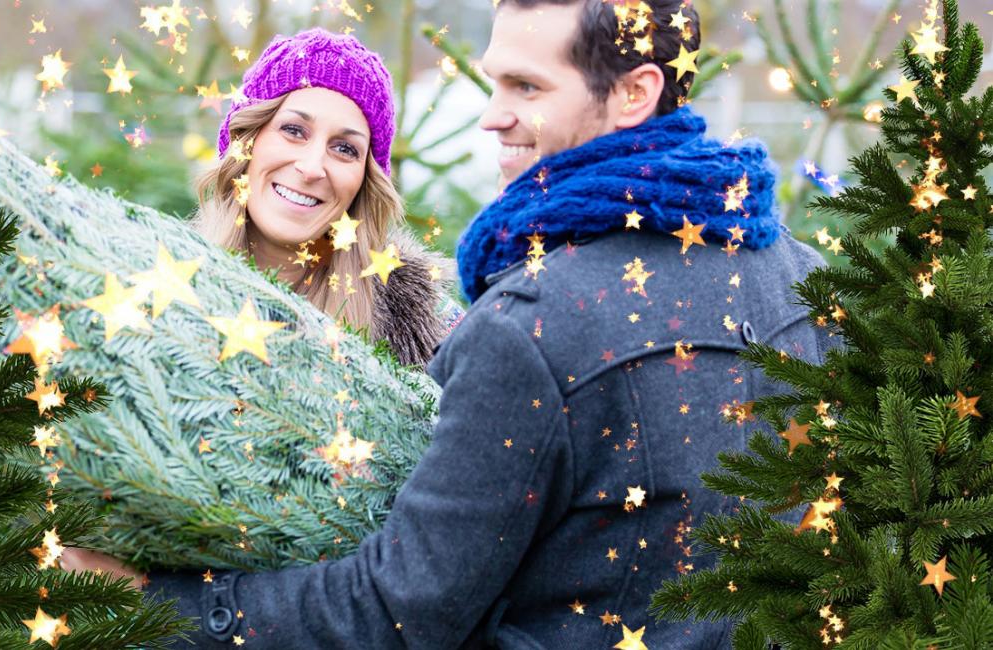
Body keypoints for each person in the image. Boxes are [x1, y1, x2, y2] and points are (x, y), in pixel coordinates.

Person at [62, 1, 828, 647]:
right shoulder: (792, 271)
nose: (492, 116)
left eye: (526, 86)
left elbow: (402, 608)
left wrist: (158, 606)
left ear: (634, 92)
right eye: (495, 81)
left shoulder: (525, 328)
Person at [192, 27, 460, 367]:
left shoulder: (433, 327)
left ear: (365, 180)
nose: (312, 167)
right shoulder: (159, 282)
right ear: (247, 141)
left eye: (345, 149)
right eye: (293, 131)